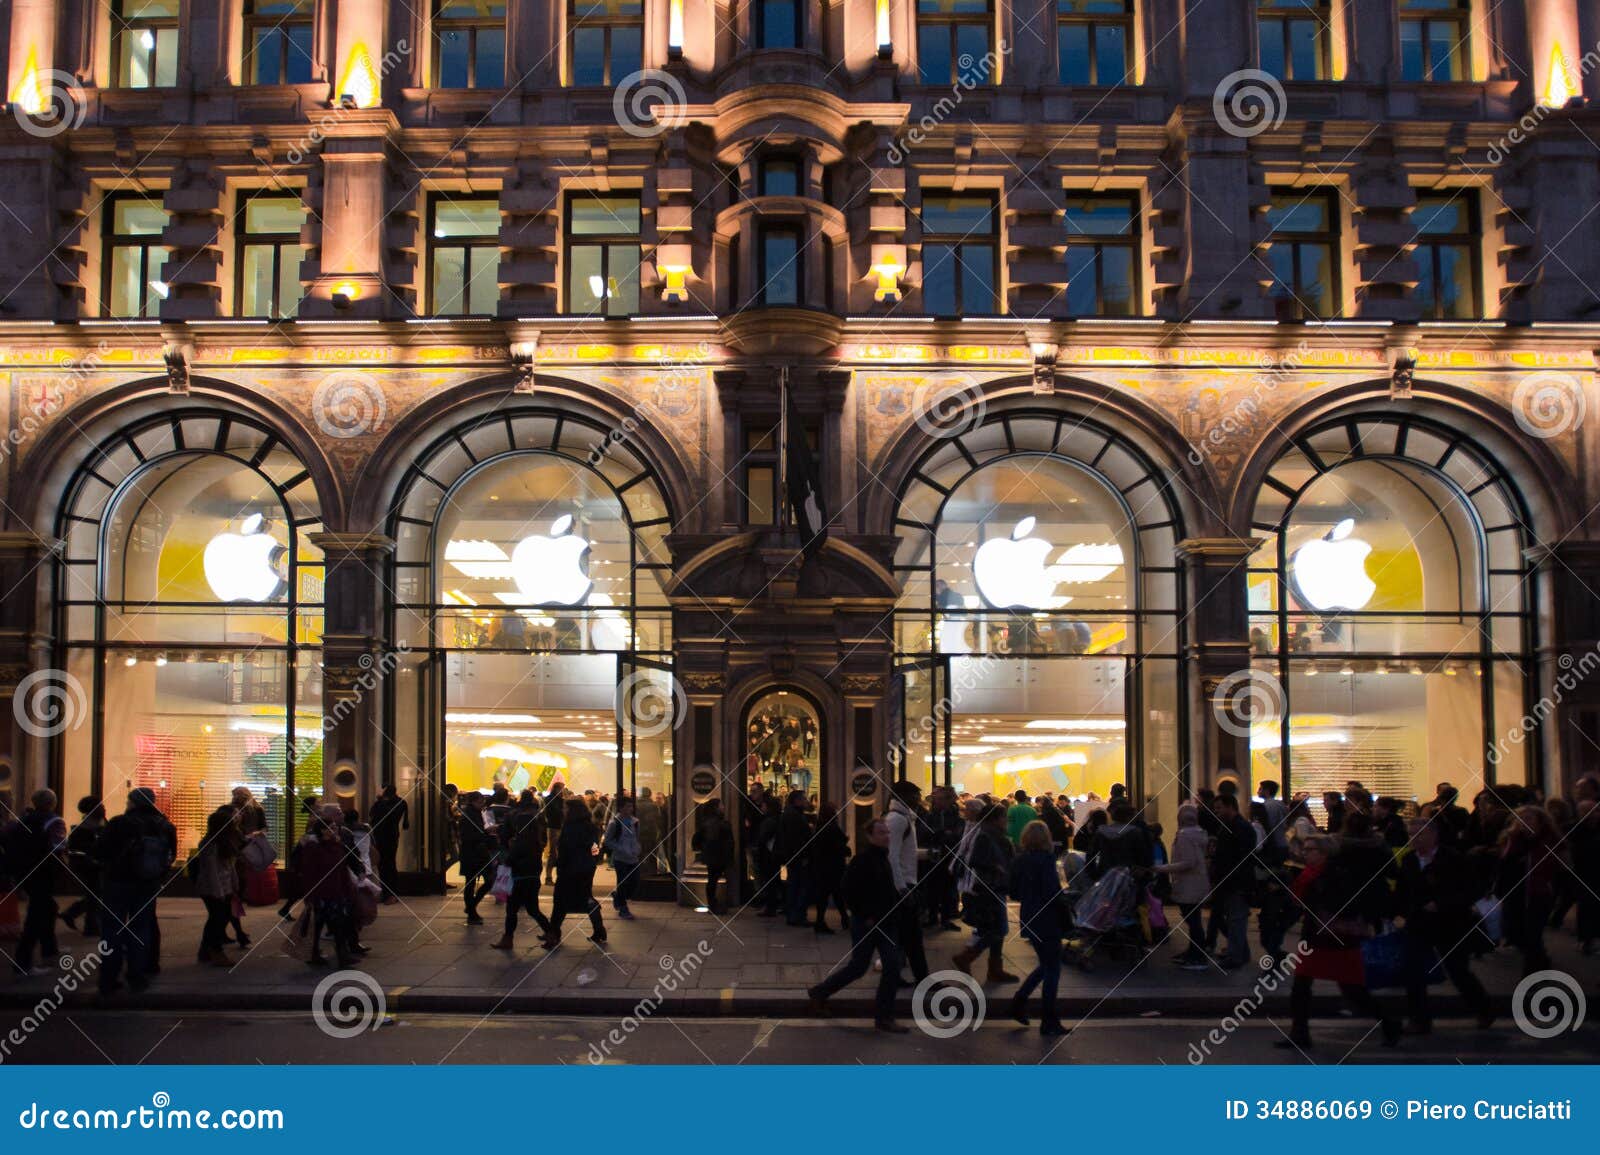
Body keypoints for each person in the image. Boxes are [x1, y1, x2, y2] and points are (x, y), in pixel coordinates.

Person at [1277, 835, 1401, 1050]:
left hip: (1338, 940)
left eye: (1310, 849)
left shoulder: (1337, 874)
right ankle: (1300, 1032)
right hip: (1318, 937)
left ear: (1324, 852)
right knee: (1302, 984)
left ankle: (1389, 1023)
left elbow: (1343, 903)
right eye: (1304, 849)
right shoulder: (1312, 874)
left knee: (1353, 990)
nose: (1305, 853)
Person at [805, 818, 907, 1033]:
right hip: (869, 923)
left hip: (886, 922)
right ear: (870, 836)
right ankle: (821, 993)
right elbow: (848, 890)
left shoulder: (883, 858)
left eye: (887, 832)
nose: (886, 836)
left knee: (891, 965)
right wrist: (865, 915)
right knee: (860, 967)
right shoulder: (863, 860)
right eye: (881, 833)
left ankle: (883, 1016)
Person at [1395, 817, 1493, 1033]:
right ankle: (1419, 1019)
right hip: (1418, 923)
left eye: (1419, 834)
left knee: (1458, 970)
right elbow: (1403, 891)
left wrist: (1442, 903)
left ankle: (1483, 1008)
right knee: (1413, 970)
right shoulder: (1410, 860)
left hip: (1450, 924)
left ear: (1433, 835)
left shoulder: (1453, 858)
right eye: (1411, 835)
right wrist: (1400, 914)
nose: (1414, 839)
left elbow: (1472, 889)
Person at [94, 788, 176, 994]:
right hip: (147, 883)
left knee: (112, 929)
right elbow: (170, 856)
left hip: (117, 882)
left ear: (132, 802)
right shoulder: (164, 825)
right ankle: (137, 975)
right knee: (141, 928)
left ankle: (109, 978)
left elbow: (100, 850)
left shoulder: (119, 823)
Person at [1008, 820, 1069, 1036]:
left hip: (1029, 914)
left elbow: (1013, 892)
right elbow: (1052, 890)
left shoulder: (1019, 860)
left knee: (1046, 964)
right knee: (1053, 968)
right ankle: (1049, 1018)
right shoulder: (1046, 860)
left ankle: (1020, 1000)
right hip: (1048, 916)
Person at [951, 801, 1019, 984]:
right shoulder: (986, 836)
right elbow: (975, 860)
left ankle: (995, 969)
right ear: (996, 819)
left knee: (995, 930)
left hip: (995, 888)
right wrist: (996, 868)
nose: (1006, 820)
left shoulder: (994, 835)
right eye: (1004, 817)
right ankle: (967, 957)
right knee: (998, 930)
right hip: (989, 889)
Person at [1497, 804, 1564, 976]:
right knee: (1516, 934)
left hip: (1539, 893)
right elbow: (1504, 864)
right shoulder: (1513, 839)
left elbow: (1553, 866)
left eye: (1529, 818)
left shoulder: (1548, 839)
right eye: (1521, 818)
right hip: (1516, 894)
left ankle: (1531, 977)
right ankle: (1542, 961)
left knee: (1532, 934)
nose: (1524, 822)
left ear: (1540, 822)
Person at [6, 789, 68, 976]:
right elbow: (58, 848)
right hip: (43, 873)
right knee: (36, 916)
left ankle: (50, 950)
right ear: (52, 802)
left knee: (48, 908)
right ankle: (23, 963)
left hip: (25, 872)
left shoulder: (22, 821)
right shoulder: (54, 821)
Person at [298, 807, 359, 967]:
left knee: (336, 924)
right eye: (330, 828)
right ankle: (326, 954)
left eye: (335, 827)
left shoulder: (337, 846)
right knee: (321, 925)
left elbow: (342, 870)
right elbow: (309, 873)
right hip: (321, 893)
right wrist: (309, 896)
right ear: (322, 831)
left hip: (336, 892)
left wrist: (348, 889)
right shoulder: (314, 848)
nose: (334, 830)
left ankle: (338, 954)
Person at [544, 798, 606, 947]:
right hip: (586, 868)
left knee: (560, 901)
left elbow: (565, 850)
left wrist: (559, 865)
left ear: (572, 811)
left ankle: (553, 934)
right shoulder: (590, 826)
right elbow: (595, 848)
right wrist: (592, 860)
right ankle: (599, 930)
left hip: (569, 869)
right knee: (586, 897)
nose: (564, 811)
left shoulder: (569, 827)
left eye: (566, 809)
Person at [1156, 802, 1211, 970]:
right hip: (1197, 882)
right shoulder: (1199, 834)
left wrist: (1163, 868)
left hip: (1188, 884)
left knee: (1193, 921)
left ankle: (1198, 956)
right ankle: (1194, 951)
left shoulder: (1185, 836)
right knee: (1194, 920)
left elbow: (1188, 862)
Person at [885, 780, 928, 982]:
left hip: (905, 884)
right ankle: (921, 979)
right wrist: (902, 888)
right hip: (903, 886)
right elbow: (891, 856)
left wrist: (925, 854)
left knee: (905, 938)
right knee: (912, 938)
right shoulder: (898, 820)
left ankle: (898, 976)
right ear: (903, 796)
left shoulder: (905, 818)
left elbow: (903, 853)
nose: (919, 799)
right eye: (915, 795)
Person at [491, 808, 552, 949]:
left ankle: (507, 939)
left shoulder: (519, 842)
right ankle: (551, 933)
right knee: (533, 910)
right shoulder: (536, 842)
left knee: (511, 911)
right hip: (532, 879)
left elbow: (511, 860)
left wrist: (506, 859)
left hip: (519, 880)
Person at [192, 804, 243, 966]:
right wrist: (219, 892)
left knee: (218, 918)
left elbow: (229, 866)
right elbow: (211, 871)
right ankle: (215, 951)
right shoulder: (211, 844)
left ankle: (206, 950)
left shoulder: (223, 842)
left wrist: (233, 884)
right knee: (217, 919)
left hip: (223, 887)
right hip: (214, 889)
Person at [1209, 792, 1255, 969]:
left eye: (1219, 808)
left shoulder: (1240, 828)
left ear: (1230, 806)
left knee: (1236, 918)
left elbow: (1240, 857)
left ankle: (1236, 955)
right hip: (1230, 880)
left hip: (1236, 881)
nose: (1217, 812)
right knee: (1233, 918)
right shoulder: (1230, 826)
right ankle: (1240, 952)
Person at [60, 795, 105, 936]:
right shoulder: (84, 829)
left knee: (95, 894)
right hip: (86, 866)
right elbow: (78, 850)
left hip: (92, 865)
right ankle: (91, 926)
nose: (104, 808)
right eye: (101, 806)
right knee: (95, 894)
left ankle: (73, 914)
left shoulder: (97, 825)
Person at [921, 785, 964, 931]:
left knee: (948, 889)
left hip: (949, 857)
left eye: (940, 799)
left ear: (949, 800)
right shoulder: (930, 815)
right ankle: (933, 917)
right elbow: (925, 833)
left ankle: (945, 918)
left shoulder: (955, 816)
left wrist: (942, 834)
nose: (937, 801)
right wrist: (943, 833)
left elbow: (957, 836)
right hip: (933, 857)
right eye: (936, 799)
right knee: (932, 888)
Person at [457, 791, 498, 925]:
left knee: (472, 882)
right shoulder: (470, 815)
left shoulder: (473, 813)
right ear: (474, 801)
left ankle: (471, 908)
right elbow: (470, 836)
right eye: (480, 802)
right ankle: (471, 909)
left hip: (474, 853)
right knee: (484, 880)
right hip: (474, 853)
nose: (482, 805)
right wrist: (487, 833)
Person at [809, 801, 849, 933]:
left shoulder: (821, 825)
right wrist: (845, 848)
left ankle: (838, 920)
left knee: (828, 895)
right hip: (832, 867)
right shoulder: (830, 827)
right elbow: (836, 847)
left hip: (823, 866)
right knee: (833, 894)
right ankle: (828, 921)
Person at [602, 796, 642, 919]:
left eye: (631, 806)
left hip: (633, 857)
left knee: (634, 882)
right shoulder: (614, 823)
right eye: (627, 806)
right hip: (621, 859)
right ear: (621, 808)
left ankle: (618, 897)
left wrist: (637, 849)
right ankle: (623, 908)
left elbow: (636, 838)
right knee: (623, 882)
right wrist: (621, 848)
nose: (630, 809)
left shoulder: (635, 822)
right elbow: (608, 841)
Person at [368, 783, 409, 903]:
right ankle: (387, 892)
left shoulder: (395, 803)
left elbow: (386, 816)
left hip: (388, 837)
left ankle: (391, 893)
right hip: (386, 837)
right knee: (384, 865)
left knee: (388, 865)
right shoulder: (400, 803)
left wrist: (381, 802)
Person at [779, 790, 813, 927]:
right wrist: (803, 856)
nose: (806, 802)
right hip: (797, 857)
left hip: (793, 856)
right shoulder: (794, 816)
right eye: (804, 799)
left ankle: (793, 914)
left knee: (794, 885)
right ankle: (796, 915)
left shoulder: (791, 814)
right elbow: (796, 839)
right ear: (797, 801)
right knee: (798, 886)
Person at [696, 799, 735, 914]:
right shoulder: (719, 823)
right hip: (719, 856)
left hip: (713, 856)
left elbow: (698, 839)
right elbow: (722, 841)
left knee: (712, 879)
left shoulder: (707, 822)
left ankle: (714, 903)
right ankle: (714, 904)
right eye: (721, 805)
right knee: (714, 880)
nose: (723, 807)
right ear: (716, 808)